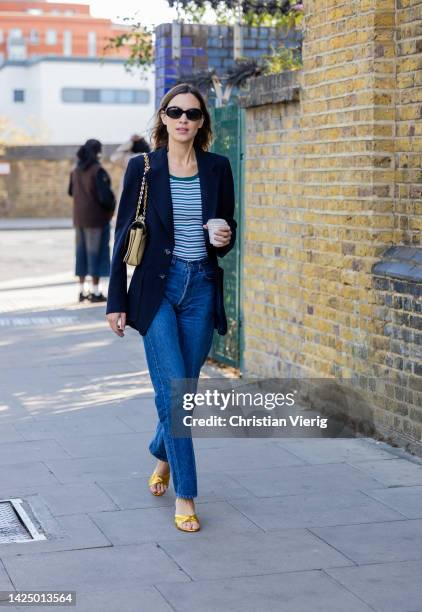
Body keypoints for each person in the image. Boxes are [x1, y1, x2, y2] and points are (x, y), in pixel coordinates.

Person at [105, 83, 237, 532]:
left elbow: (226, 228)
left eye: (193, 114)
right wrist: (115, 300)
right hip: (155, 291)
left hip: (200, 285)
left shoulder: (218, 168)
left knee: (188, 392)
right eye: (175, 111)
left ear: (202, 123)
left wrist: (224, 236)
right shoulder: (143, 168)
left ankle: (162, 456)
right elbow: (124, 236)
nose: (184, 119)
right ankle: (186, 493)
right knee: (174, 395)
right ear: (163, 118)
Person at [68, 139, 116, 303]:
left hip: (79, 219)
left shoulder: (75, 170)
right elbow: (106, 198)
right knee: (96, 254)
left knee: (81, 254)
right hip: (96, 219)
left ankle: (81, 291)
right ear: (97, 152)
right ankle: (95, 292)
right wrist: (112, 208)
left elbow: (70, 192)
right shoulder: (98, 171)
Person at [110, 135, 151, 203]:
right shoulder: (153, 158)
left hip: (130, 201)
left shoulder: (131, 159)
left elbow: (114, 157)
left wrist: (130, 142)